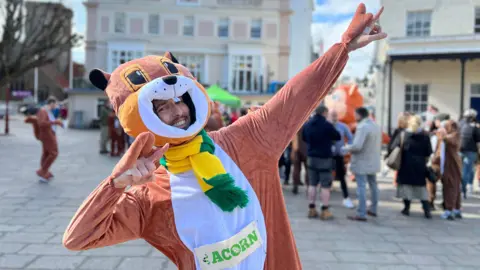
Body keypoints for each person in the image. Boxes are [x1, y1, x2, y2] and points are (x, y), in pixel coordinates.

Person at [63, 4, 386, 269]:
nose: (178, 113)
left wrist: (342, 48)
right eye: (161, 108)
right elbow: (78, 238)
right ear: (140, 117)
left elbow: (293, 98)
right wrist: (116, 185)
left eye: (179, 100)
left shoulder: (245, 141)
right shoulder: (147, 194)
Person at [343, 107, 382, 221]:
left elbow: (357, 146)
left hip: (362, 161)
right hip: (373, 161)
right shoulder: (375, 125)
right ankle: (373, 209)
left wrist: (345, 148)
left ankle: (361, 212)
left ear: (359, 115)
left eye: (355, 115)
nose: (355, 117)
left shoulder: (362, 127)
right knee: (373, 185)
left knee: (361, 187)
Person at [390, 115, 432, 219]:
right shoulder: (425, 136)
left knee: (406, 187)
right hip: (420, 165)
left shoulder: (403, 134)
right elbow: (428, 152)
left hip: (405, 164)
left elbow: (393, 147)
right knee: (421, 188)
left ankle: (406, 208)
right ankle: (426, 210)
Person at [303, 106, 341, 219]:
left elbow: (304, 138)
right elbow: (337, 136)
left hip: (311, 158)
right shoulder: (327, 125)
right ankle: (325, 210)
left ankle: (311, 208)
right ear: (324, 113)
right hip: (325, 159)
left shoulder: (307, 124)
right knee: (325, 185)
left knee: (312, 184)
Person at [435, 120, 463, 220]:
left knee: (451, 188)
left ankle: (449, 211)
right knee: (453, 188)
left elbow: (447, 139)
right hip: (448, 166)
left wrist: (440, 131)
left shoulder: (454, 135)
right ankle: (456, 209)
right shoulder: (452, 135)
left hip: (452, 166)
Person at [329, 109, 354, 208]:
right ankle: (326, 200)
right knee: (327, 176)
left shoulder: (343, 126)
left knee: (342, 177)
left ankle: (346, 197)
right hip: (328, 156)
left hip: (339, 155)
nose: (334, 117)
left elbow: (351, 138)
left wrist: (347, 148)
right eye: (332, 115)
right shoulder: (326, 125)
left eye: (336, 115)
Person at [35, 96, 63, 182]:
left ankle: (44, 171)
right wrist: (55, 122)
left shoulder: (47, 111)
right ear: (51, 103)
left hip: (48, 134)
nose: (56, 106)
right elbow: (42, 123)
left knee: (46, 153)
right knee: (54, 152)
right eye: (55, 104)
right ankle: (43, 171)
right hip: (47, 135)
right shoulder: (43, 111)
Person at [459, 109, 480, 198]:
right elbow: (478, 140)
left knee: (462, 169)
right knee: (467, 170)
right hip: (471, 151)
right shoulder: (475, 127)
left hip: (460, 150)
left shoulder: (459, 125)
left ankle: (463, 188)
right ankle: (466, 188)